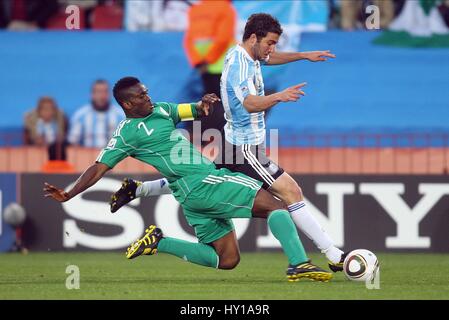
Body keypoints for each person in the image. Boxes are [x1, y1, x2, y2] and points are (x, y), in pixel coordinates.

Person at [110, 13, 347, 273]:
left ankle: (139, 190)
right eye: (270, 43)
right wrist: (280, 95)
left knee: (201, 178)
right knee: (290, 193)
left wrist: (303, 55)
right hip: (246, 148)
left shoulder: (246, 54)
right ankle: (331, 254)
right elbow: (250, 103)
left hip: (234, 142)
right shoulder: (239, 66)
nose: (272, 49)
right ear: (254, 38)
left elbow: (269, 59)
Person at [44, 76, 332, 282]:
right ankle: (299, 265)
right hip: (205, 183)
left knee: (227, 260)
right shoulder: (126, 134)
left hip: (188, 196)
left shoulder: (161, 110)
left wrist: (204, 103)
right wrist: (70, 193)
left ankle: (159, 242)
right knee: (277, 206)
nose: (148, 97)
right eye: (142, 96)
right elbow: (98, 167)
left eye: (147, 92)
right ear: (127, 103)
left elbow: (192, 110)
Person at [183, 0, 236, 138]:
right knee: (225, 101)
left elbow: (189, 40)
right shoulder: (226, 8)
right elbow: (223, 38)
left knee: (209, 99)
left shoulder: (195, 9)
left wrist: (198, 62)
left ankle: (204, 135)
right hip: (222, 62)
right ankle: (222, 136)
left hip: (203, 66)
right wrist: (208, 60)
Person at [68, 79, 124, 148]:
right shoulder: (80, 116)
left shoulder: (121, 115)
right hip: (86, 157)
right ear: (92, 94)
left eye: (105, 92)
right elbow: (72, 142)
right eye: (99, 92)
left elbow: (128, 141)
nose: (102, 96)